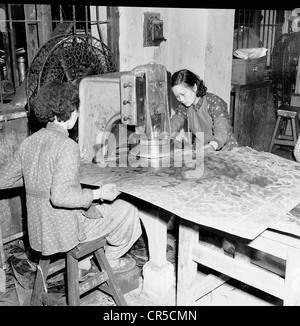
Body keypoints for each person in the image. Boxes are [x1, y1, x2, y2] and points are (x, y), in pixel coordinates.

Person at [0, 80, 142, 278]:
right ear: (69, 110)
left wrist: (39, 176)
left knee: (93, 207)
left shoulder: (29, 142)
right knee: (127, 209)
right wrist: (99, 193)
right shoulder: (67, 146)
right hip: (63, 232)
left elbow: (3, 180)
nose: (77, 114)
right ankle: (111, 260)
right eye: (76, 109)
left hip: (39, 231)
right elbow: (60, 197)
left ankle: (83, 264)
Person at [170, 69, 238, 152]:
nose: (181, 99)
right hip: (204, 149)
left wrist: (213, 145)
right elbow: (175, 122)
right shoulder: (184, 107)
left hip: (225, 151)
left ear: (195, 87)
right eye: (177, 96)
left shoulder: (214, 102)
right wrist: (166, 134)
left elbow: (222, 130)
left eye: (183, 94)